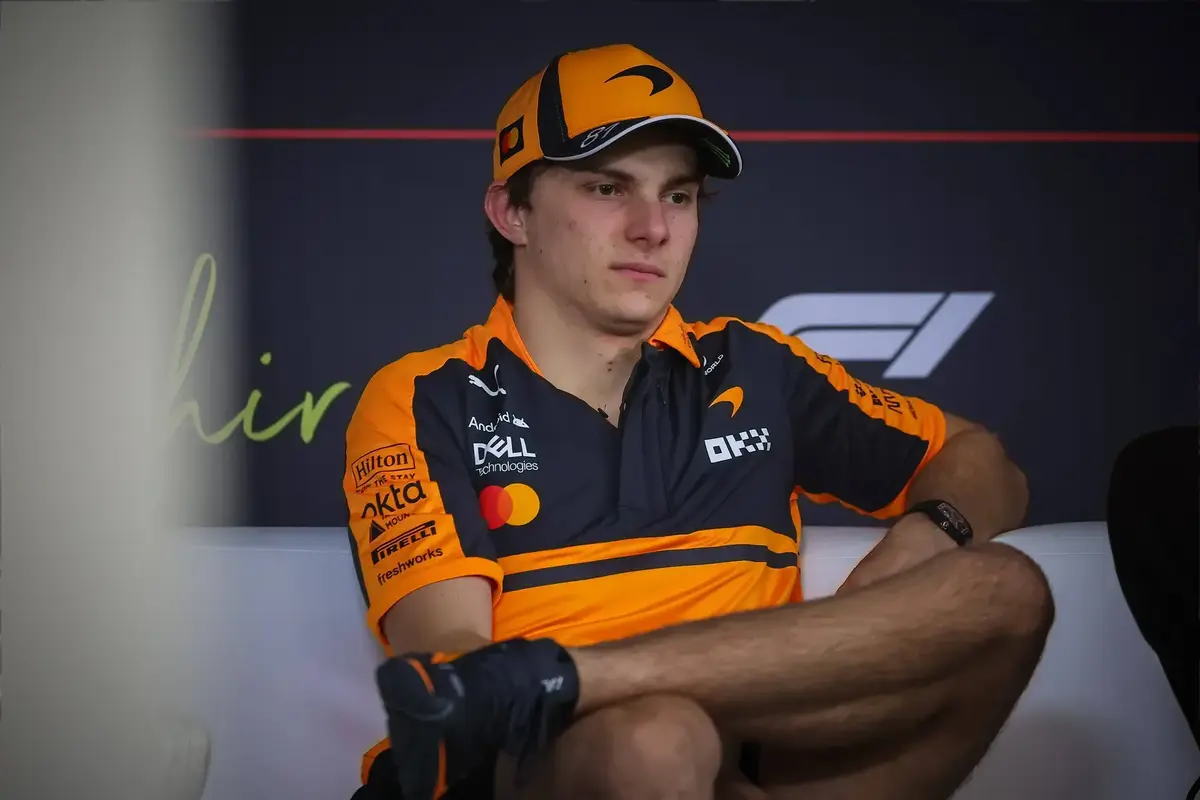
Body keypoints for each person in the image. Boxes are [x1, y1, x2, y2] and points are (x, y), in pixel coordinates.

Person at [344, 43, 1052, 800]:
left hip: (765, 753)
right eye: (608, 188)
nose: (653, 228)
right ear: (513, 212)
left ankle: (573, 677)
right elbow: (455, 678)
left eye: (678, 196)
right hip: (530, 768)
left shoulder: (755, 366)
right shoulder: (425, 396)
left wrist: (921, 538)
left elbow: (985, 464)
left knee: (1006, 590)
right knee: (657, 740)